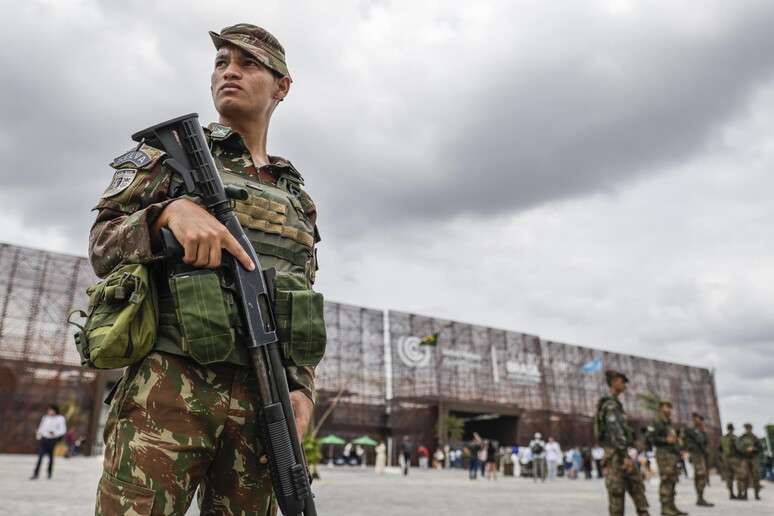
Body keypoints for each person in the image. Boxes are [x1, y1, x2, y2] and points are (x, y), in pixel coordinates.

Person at [89, 23, 322, 515]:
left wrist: (302, 388)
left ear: (282, 86)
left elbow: (300, 296)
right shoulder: (169, 158)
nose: (229, 72)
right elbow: (102, 245)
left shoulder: (297, 196)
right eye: (221, 63)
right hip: (168, 389)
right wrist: (166, 215)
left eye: (248, 64)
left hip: (265, 402)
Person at [594, 370, 649, 516]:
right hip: (615, 455)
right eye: (622, 381)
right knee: (617, 493)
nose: (625, 384)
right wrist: (624, 455)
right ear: (614, 382)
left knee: (637, 486)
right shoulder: (610, 405)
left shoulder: (615, 404)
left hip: (621, 453)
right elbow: (615, 431)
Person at [647, 400, 687, 516]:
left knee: (672, 480)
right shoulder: (657, 421)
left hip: (672, 455)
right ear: (660, 408)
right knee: (666, 480)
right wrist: (665, 440)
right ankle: (665, 508)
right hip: (664, 455)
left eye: (670, 407)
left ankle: (671, 507)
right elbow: (650, 437)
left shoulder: (668, 423)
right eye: (666, 407)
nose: (669, 410)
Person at [683, 412, 713, 507]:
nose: (700, 421)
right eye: (698, 419)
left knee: (702, 475)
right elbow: (690, 441)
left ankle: (700, 497)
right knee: (701, 474)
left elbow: (705, 442)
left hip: (701, 454)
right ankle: (700, 498)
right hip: (696, 454)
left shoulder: (700, 430)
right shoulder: (690, 429)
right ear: (694, 418)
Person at [30, 404, 67, 480]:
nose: (49, 412)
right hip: (44, 439)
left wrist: (55, 433)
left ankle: (49, 473)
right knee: (40, 457)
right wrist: (39, 433)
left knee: (51, 457)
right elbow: (41, 427)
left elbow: (63, 430)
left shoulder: (60, 418)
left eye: (51, 410)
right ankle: (35, 473)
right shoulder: (45, 418)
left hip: (53, 440)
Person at [735, 423, 763, 500]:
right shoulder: (741, 438)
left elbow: (760, 447)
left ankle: (756, 494)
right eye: (747, 428)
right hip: (744, 458)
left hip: (753, 458)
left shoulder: (755, 438)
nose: (748, 429)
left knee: (756, 476)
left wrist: (754, 449)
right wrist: (745, 450)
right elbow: (738, 447)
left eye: (749, 428)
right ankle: (745, 494)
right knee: (744, 476)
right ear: (745, 429)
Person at [719, 423, 740, 499]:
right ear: (733, 429)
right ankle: (740, 493)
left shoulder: (723, 438)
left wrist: (722, 459)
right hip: (734, 459)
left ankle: (731, 493)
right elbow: (739, 449)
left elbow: (719, 450)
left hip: (725, 459)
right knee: (739, 476)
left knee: (729, 477)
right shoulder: (735, 438)